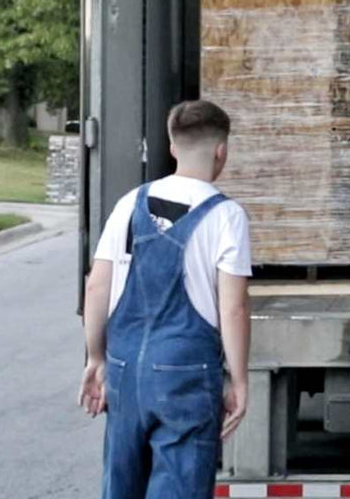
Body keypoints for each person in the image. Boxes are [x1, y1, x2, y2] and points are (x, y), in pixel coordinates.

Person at [79, 100, 253, 499]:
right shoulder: (226, 217)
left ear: (172, 147)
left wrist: (96, 358)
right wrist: (240, 380)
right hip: (186, 374)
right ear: (221, 151)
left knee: (120, 486)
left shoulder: (129, 204)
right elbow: (234, 308)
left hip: (124, 370)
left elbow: (97, 287)